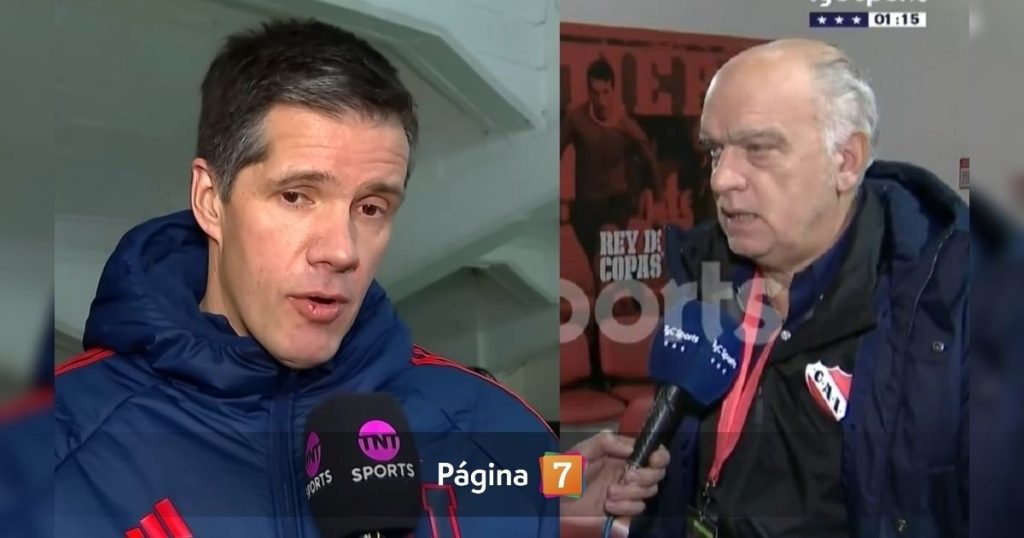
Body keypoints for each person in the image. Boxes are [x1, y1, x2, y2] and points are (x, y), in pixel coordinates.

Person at [52, 19, 657, 537]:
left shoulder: (489, 421)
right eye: (296, 196)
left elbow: (532, 481)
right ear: (211, 200)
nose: (341, 251)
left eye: (370, 207)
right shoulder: (49, 446)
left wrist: (560, 499)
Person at [631, 39, 968, 538]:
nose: (721, 179)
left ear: (846, 161)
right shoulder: (703, 273)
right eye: (715, 151)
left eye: (758, 149)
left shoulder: (961, 307)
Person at [561, 57, 663, 270]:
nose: (601, 100)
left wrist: (656, 197)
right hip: (585, 206)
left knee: (606, 246)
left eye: (605, 92)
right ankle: (618, 283)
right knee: (596, 267)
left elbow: (649, 160)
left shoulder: (625, 125)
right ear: (588, 92)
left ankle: (620, 279)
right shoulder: (576, 119)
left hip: (615, 203)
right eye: (595, 93)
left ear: (613, 90)